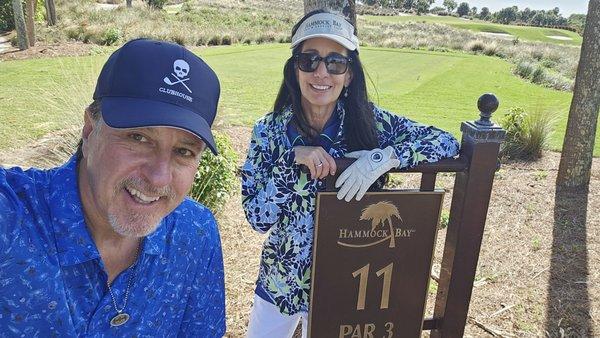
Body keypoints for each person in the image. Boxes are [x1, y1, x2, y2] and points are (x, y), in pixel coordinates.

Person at [241, 10, 460, 338]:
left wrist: (384, 157)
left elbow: (446, 141)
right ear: (294, 70)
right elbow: (257, 217)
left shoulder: (370, 122)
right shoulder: (268, 131)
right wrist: (290, 162)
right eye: (309, 60)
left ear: (349, 75)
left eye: (335, 63)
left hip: (345, 285)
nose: (321, 72)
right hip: (280, 282)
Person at [0, 39, 225, 337]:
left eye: (184, 152)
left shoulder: (195, 234)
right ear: (90, 130)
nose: (158, 178)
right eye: (138, 138)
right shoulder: (13, 221)